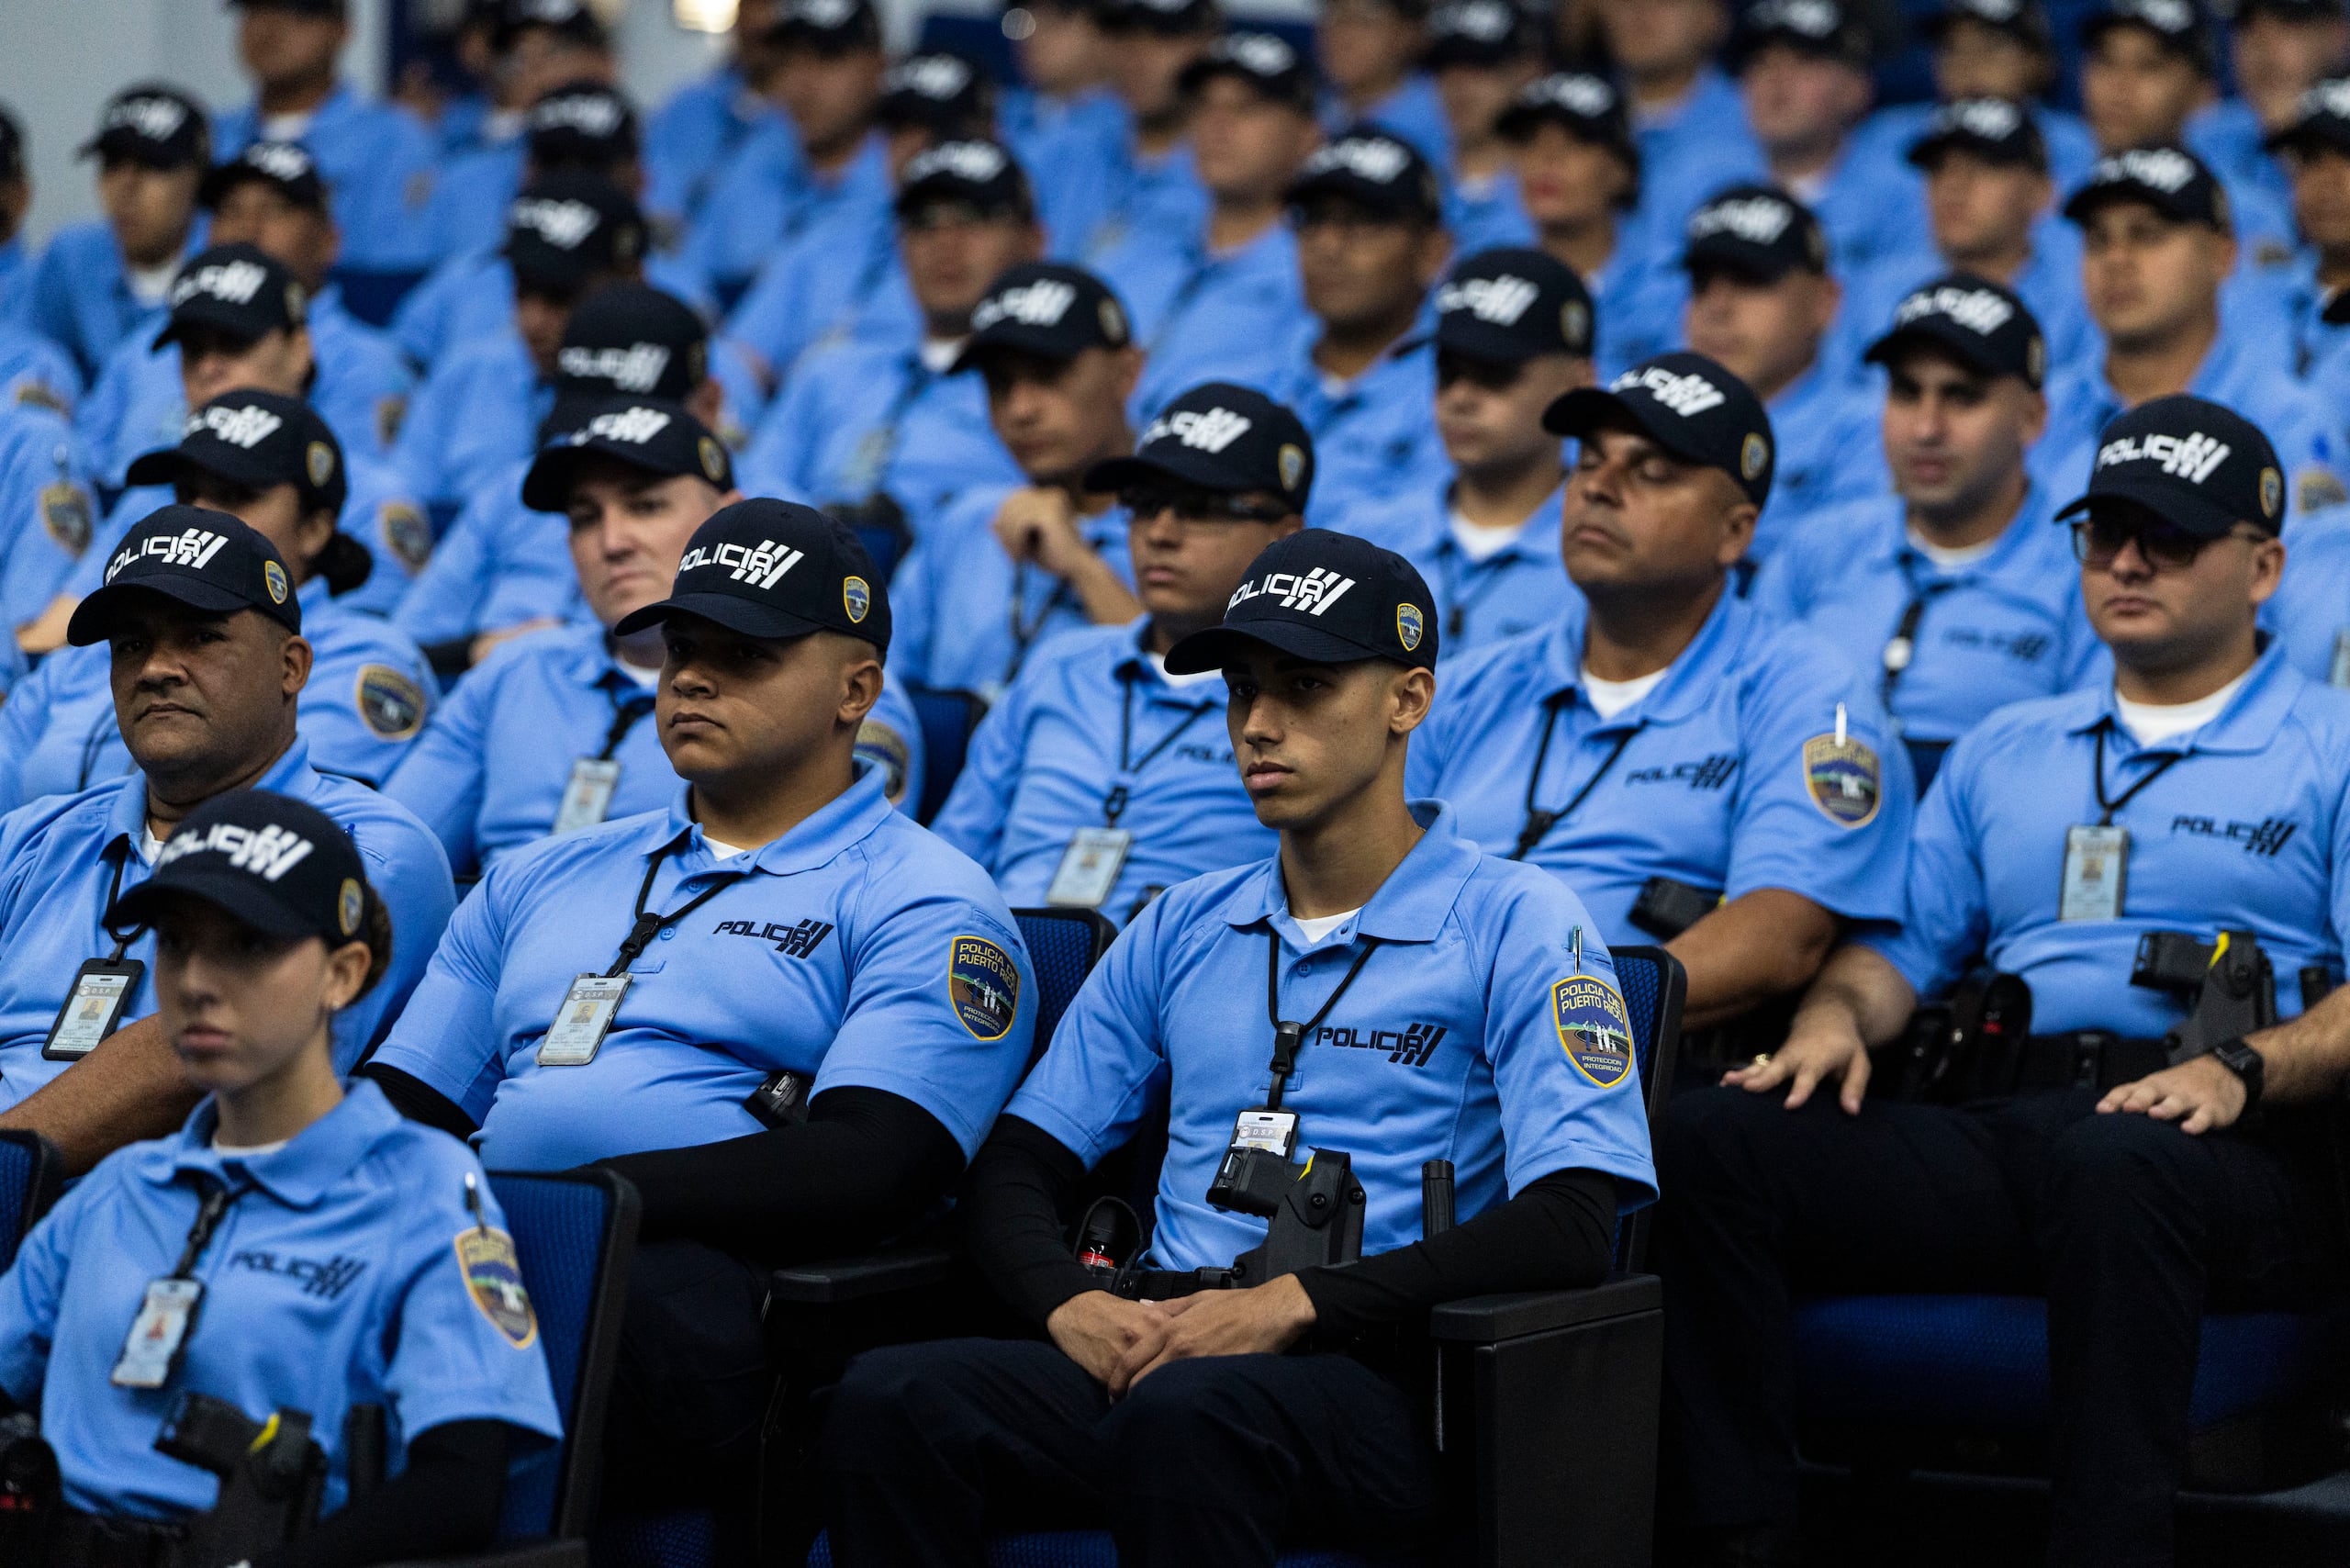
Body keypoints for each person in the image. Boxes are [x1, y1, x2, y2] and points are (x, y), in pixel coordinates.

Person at [818, 526, 1656, 1566]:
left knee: (1191, 1418)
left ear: (1408, 699)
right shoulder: (1181, 921)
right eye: (1241, 690)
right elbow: (1017, 1164)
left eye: (1304, 688)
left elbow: (1573, 1221)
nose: (1259, 725)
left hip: (1382, 1378)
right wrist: (1068, 1301)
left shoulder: (1519, 918)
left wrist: (1294, 1304)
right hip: (1164, 1344)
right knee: (892, 1398)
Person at [1659, 394, 2350, 1568]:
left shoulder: (2330, 739)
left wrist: (2240, 1070)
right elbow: (1901, 952)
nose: (2127, 559)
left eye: (2170, 535)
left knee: (2115, 1158)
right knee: (1712, 1137)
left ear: (2266, 564)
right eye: (2104, 531)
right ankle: (1740, 1542)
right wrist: (1833, 1019)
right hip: (2020, 1120)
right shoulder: (2004, 747)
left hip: (2243, 1144)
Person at [360, 498, 1037, 1516]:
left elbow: (878, 1163)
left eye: (746, 654)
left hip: (702, 1287)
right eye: (682, 647)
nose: (695, 677)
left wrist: (574, 1203)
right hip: (488, 1241)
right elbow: (402, 1097)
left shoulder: (925, 897)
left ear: (857, 689)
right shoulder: (537, 874)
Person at [0, 790, 552, 1566]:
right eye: (175, 944)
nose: (196, 980)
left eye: (248, 945)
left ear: (344, 974)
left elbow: (458, 1490)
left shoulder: (425, 1191)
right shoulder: (120, 1189)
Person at [1408, 352, 1913, 1036]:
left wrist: (1550, 1012)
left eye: (1651, 472)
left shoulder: (1807, 690)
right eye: (1588, 461)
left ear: (1734, 532)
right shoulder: (1470, 687)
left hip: (1622, 1075)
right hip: (1414, 1047)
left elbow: (1781, 935)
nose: (1599, 488)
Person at [0, 506, 453, 1174]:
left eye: (201, 637)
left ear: (291, 668)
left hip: (184, 1217)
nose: (156, 668)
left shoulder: (368, 846)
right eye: (131, 645)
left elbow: (207, 1058)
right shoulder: (30, 838)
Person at [386, 387, 926, 876]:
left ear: (726, 516)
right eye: (584, 518)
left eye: (646, 506)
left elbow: (846, 877)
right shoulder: (517, 669)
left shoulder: (823, 684)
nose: (612, 541)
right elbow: (390, 852)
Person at [930, 361, 1313, 921]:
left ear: (1285, 536)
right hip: (991, 968)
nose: (1160, 532)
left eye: (1200, 508)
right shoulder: (1060, 664)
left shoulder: (1311, 696)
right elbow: (951, 857)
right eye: (1142, 505)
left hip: (1179, 981)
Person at [0, 391, 437, 812]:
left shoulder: (366, 654)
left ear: (315, 529)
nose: (201, 515)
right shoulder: (88, 654)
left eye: (235, 495)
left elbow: (278, 817)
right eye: (187, 492)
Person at [1755, 275, 2099, 791]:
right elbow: (1746, 723)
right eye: (1906, 392)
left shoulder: (2089, 574)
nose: (1926, 428)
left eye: (1961, 397)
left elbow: (2085, 777)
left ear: (2032, 418)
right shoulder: (1817, 547)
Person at [33, 245, 427, 637]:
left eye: (235, 343)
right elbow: (54, 638)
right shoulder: (149, 497)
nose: (209, 368)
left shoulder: (374, 498)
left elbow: (367, 647)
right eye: (194, 350)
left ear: (300, 350)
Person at [390, 281, 745, 665]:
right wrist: (481, 652)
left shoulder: (765, 515)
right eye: (584, 517)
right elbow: (404, 645)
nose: (612, 436)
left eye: (647, 505)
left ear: (707, 406)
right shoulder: (517, 486)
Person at [734, 139, 1035, 536]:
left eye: (972, 217)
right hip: (807, 576)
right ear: (900, 245)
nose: (946, 243)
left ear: (1034, 240)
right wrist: (824, 533)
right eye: (924, 222)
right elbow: (754, 483)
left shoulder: (1040, 389)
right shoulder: (830, 370)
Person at [79, 146, 416, 497]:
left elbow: (355, 497)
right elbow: (88, 476)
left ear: (329, 241)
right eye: (230, 210)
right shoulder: (143, 347)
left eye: (275, 210)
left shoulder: (371, 364)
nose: (248, 228)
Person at [2035, 144, 2344, 513]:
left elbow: (2309, 564)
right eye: (2098, 240)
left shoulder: (2287, 420)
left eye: (2146, 234)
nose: (2116, 259)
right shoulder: (2041, 410)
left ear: (2222, 255)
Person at [891, 263, 1148, 697]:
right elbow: (880, 680)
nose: (1020, 409)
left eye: (1048, 375)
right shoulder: (965, 523)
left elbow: (1193, 702)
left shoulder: (1184, 530)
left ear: (1126, 373)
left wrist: (1083, 568)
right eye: (1000, 383)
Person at [1348, 247, 1591, 655]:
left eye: (1494, 373)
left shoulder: (1608, 561)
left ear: (1576, 386)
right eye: (1448, 372)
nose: (1460, 397)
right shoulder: (1363, 540)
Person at [1091, 30, 1317, 420]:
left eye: (1246, 108)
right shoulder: (1140, 247)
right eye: (1203, 106)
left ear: (1307, 138)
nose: (1218, 125)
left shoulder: (1318, 276)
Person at [390, 170, 647, 513]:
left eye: (560, 297)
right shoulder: (465, 371)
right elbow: (401, 504)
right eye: (522, 289)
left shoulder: (674, 377)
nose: (532, 321)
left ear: (629, 280)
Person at [1256, 129, 1453, 526]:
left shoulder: (1461, 396)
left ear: (1433, 252)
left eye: (1362, 222)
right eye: (1313, 220)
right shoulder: (1253, 379)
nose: (1328, 245)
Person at [1678, 185, 1887, 557]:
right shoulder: (1647, 422)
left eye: (1750, 280)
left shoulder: (1870, 430)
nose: (1717, 307)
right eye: (1701, 284)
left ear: (1825, 302)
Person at [683, 0, 890, 316]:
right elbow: (692, 270)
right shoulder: (757, 155)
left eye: (827, 59)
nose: (802, 84)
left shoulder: (903, 178)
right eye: (788, 61)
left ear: (878, 66)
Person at [1866, 97, 2097, 382]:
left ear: (2042, 192)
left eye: (1985, 165)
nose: (1954, 186)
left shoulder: (2084, 301)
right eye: (1939, 167)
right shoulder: (1874, 292)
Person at [212, 0, 440, 279]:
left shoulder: (394, 138)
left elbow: (391, 282)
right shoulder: (212, 135)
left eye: (296, 12)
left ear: (342, 29)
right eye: (253, 10)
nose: (269, 26)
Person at [1729, 0, 1934, 307]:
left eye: (1804, 60)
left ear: (1856, 88)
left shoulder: (1905, 193)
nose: (1776, 79)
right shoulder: (1697, 184)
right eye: (1760, 61)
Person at [2079, 0, 2300, 265]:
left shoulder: (2246, 216)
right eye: (2106, 60)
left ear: (2202, 94)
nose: (2119, 85)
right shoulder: (2044, 205)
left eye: (2149, 66)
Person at [1495, 71, 1682, 378]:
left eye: (1575, 142)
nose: (1547, 159)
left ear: (1622, 171)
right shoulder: (1489, 276)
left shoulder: (1674, 285)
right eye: (1530, 142)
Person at [28, 85, 210, 387]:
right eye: (112, 164)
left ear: (196, 176)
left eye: (152, 164)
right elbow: (39, 366)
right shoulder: (73, 255)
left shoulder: (228, 254)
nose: (127, 185)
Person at [1847, 0, 2098, 193]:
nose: (1969, 62)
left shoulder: (2075, 144)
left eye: (1990, 45)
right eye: (1953, 46)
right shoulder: (1885, 136)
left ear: (2038, 61)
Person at [1586, 0, 1765, 252]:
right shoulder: (1559, 122)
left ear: (1714, 18)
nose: (1640, 11)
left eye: (1666, 2)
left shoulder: (1760, 116)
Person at [645, 0, 782, 234]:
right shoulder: (689, 107)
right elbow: (657, 205)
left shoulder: (816, 123)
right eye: (750, 5)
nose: (758, 22)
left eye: (772, 6)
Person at [1419, 0, 1540, 254]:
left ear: (1525, 73)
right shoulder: (1412, 180)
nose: (1460, 85)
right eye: (1446, 67)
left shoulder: (1551, 190)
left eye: (1481, 66)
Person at [1316, 0, 1448, 169]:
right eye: (1333, 15)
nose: (1342, 35)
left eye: (1365, 20)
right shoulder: (1312, 109)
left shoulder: (1447, 110)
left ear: (1408, 33)